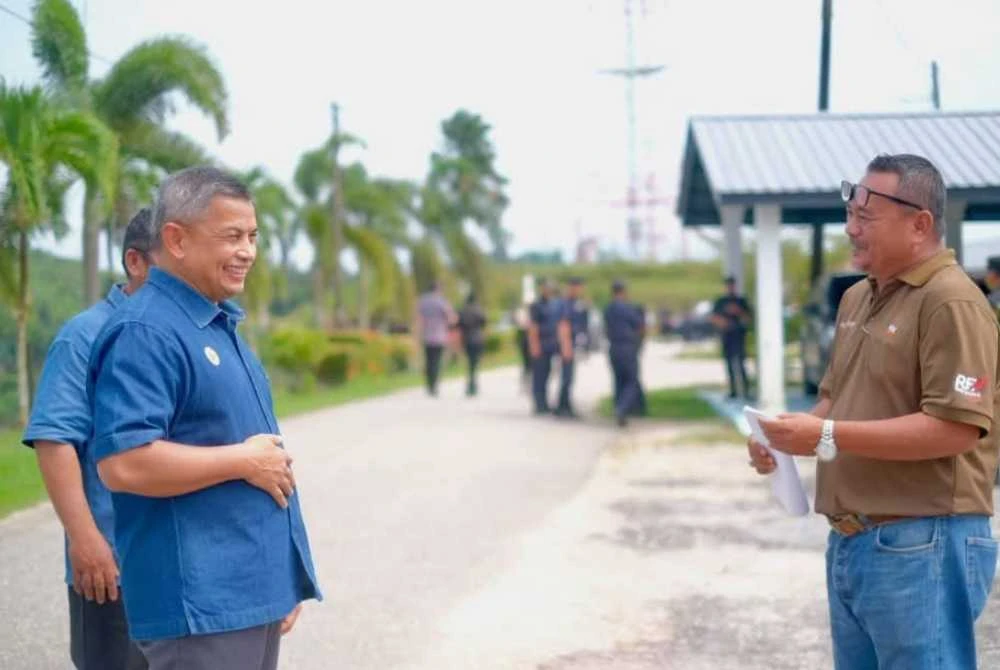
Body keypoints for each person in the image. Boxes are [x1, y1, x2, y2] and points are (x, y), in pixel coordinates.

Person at [749, 154, 1000, 670]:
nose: (850, 229)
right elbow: (834, 400)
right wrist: (780, 436)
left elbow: (955, 428)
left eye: (867, 218)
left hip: (924, 541)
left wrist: (827, 434)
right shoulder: (858, 299)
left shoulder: (952, 303)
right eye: (851, 215)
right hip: (854, 540)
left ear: (920, 224)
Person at [89, 167, 321, 670]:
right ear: (175, 239)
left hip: (245, 595)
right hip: (199, 606)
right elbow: (124, 463)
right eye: (232, 236)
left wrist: (279, 579)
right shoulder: (146, 331)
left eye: (253, 237)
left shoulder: (215, 324)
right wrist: (241, 461)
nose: (248, 251)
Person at [21, 208, 156, 670]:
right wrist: (85, 539)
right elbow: (55, 439)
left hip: (177, 565)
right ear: (135, 262)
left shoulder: (177, 336)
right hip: (111, 565)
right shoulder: (84, 336)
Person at [604, 280, 645, 427]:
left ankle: (619, 409)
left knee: (618, 381)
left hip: (613, 347)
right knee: (631, 381)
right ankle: (622, 409)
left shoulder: (608, 309)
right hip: (627, 347)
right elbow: (640, 325)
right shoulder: (627, 308)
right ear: (623, 292)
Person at [710, 276, 752, 399]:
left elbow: (748, 318)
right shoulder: (721, 302)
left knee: (741, 364)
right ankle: (733, 391)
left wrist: (738, 312)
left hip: (739, 336)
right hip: (727, 335)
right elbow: (714, 317)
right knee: (729, 364)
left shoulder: (741, 301)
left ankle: (745, 391)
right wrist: (722, 323)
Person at [417, 280, 457, 396]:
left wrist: (418, 334)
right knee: (437, 361)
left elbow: (418, 319)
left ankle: (429, 385)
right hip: (439, 336)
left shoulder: (423, 301)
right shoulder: (442, 301)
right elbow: (451, 318)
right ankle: (434, 386)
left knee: (429, 361)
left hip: (427, 335)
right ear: (438, 289)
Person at [528, 279, 561, 415]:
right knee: (539, 376)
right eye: (546, 287)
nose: (548, 290)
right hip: (540, 345)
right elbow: (533, 327)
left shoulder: (554, 304)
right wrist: (534, 346)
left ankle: (545, 403)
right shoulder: (536, 306)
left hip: (551, 345)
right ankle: (539, 404)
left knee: (547, 374)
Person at [554, 277, 586, 418]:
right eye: (577, 287)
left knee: (569, 377)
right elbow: (563, 325)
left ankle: (564, 405)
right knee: (567, 377)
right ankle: (563, 407)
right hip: (567, 344)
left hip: (572, 344)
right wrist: (566, 347)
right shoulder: (566, 304)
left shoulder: (576, 303)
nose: (579, 290)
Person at [457, 291, 487, 396]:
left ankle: (471, 384)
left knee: (470, 363)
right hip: (477, 339)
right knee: (474, 363)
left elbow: (459, 325)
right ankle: (473, 384)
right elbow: (484, 322)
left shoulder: (463, 311)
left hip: (467, 339)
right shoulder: (478, 310)